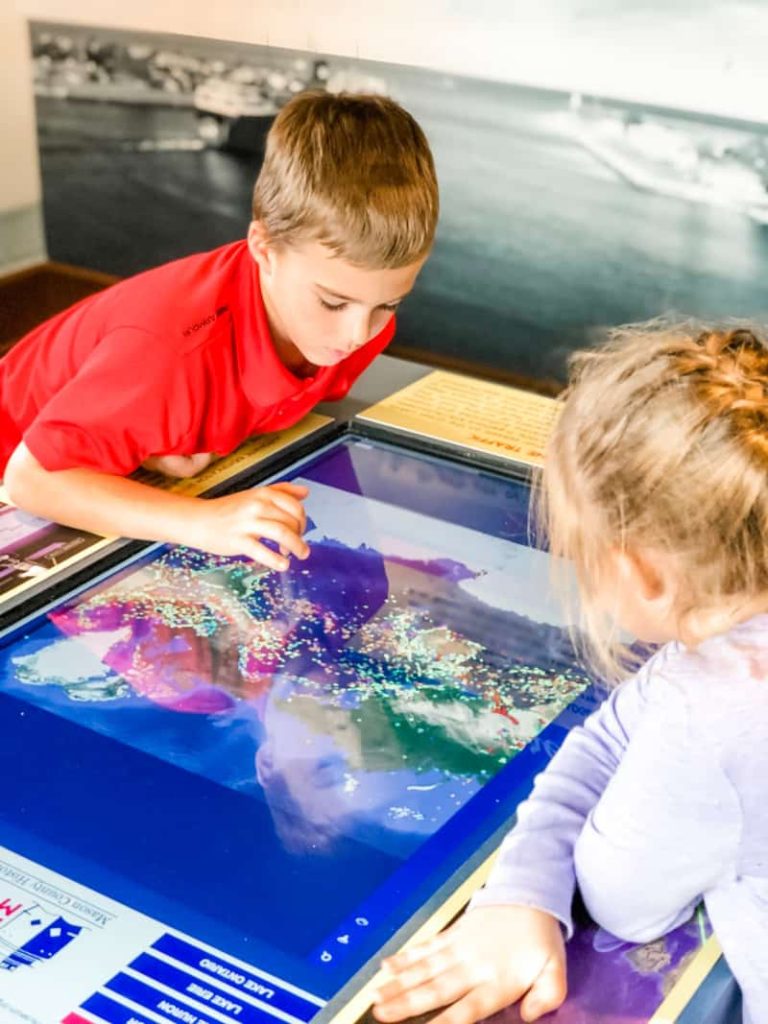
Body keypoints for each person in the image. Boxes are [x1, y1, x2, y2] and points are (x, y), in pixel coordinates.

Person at [372, 320, 768, 1024]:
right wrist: (523, 889)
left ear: (641, 574)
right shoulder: (716, 655)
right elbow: (613, 733)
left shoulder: (714, 707)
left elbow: (627, 904)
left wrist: (525, 899)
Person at [0, 91, 438, 572]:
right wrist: (203, 522)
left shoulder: (353, 321)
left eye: (389, 304)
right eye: (333, 302)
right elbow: (30, 479)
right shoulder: (170, 352)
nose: (358, 334)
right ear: (264, 249)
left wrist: (161, 440)